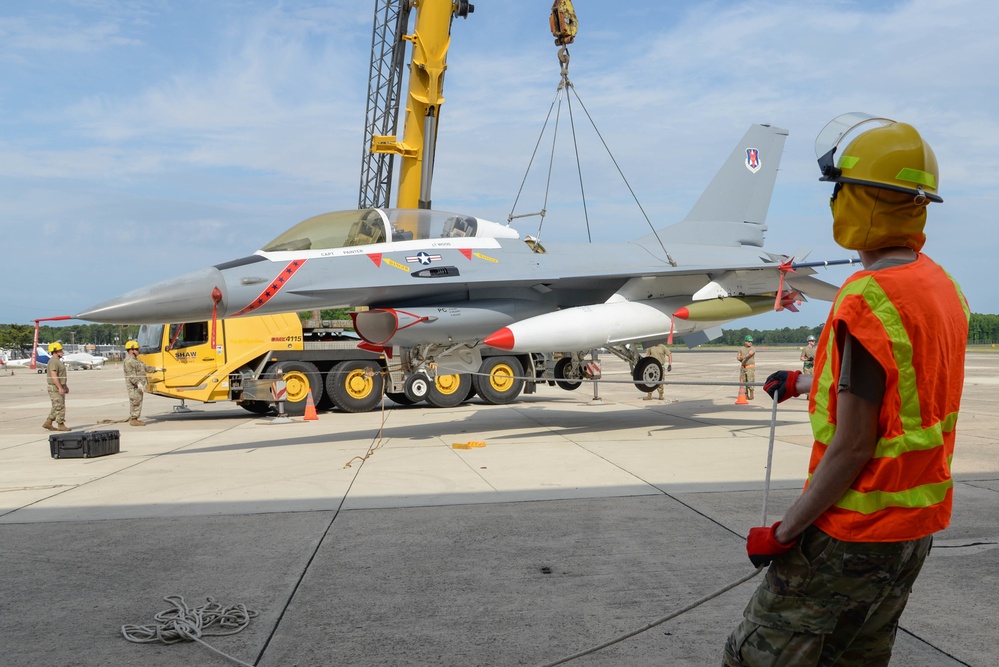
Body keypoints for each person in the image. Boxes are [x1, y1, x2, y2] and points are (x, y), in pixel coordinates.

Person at [723, 114, 969, 666]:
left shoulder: (868, 297)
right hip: (913, 530)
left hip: (853, 526)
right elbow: (898, 394)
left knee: (754, 656)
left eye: (840, 191)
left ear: (858, 201)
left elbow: (856, 442)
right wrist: (805, 383)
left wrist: (785, 532)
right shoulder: (942, 287)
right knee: (856, 657)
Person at [123, 340, 163, 426]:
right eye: (137, 349)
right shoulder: (129, 361)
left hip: (138, 386)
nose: (138, 351)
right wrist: (138, 383)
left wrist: (155, 369)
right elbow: (131, 376)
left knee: (138, 401)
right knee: (135, 401)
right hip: (134, 387)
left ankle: (135, 418)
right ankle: (134, 419)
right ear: (131, 350)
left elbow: (144, 367)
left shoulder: (135, 360)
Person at [43, 342, 71, 431]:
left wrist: (64, 386)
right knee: (60, 406)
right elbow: (54, 375)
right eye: (60, 350)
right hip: (54, 387)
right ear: (55, 351)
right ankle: (61, 424)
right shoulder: (53, 361)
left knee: (56, 406)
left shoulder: (57, 361)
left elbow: (60, 375)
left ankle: (48, 422)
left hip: (59, 385)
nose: (62, 352)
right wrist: (59, 387)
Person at [736, 335, 756, 400]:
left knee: (750, 381)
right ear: (745, 342)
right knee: (743, 381)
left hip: (750, 367)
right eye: (749, 341)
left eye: (751, 341)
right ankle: (745, 395)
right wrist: (740, 358)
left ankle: (751, 394)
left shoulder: (752, 348)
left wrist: (743, 357)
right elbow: (738, 357)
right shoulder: (741, 348)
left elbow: (750, 353)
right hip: (743, 367)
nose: (750, 343)